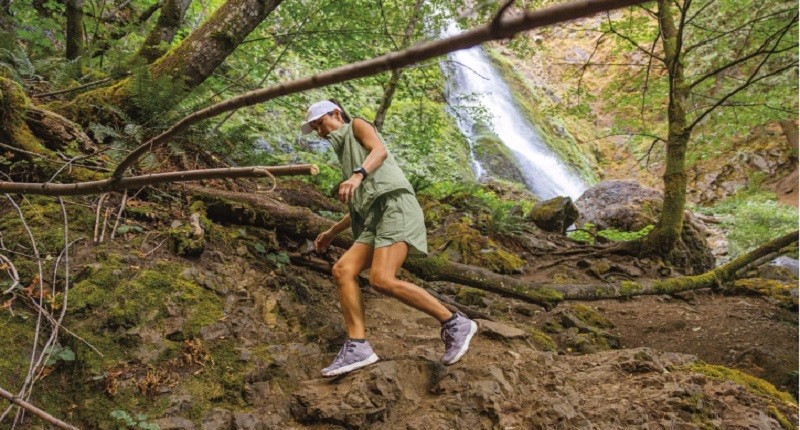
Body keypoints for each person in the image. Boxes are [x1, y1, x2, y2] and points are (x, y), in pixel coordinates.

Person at [302, 99, 478, 377]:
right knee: (343, 270)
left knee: (382, 279)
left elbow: (379, 151)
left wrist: (358, 175)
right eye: (315, 129)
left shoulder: (356, 125)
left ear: (336, 114)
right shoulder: (345, 157)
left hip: (396, 207)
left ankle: (455, 322)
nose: (320, 133)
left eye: (320, 124)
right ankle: (358, 345)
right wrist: (331, 231)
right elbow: (360, 204)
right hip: (374, 218)